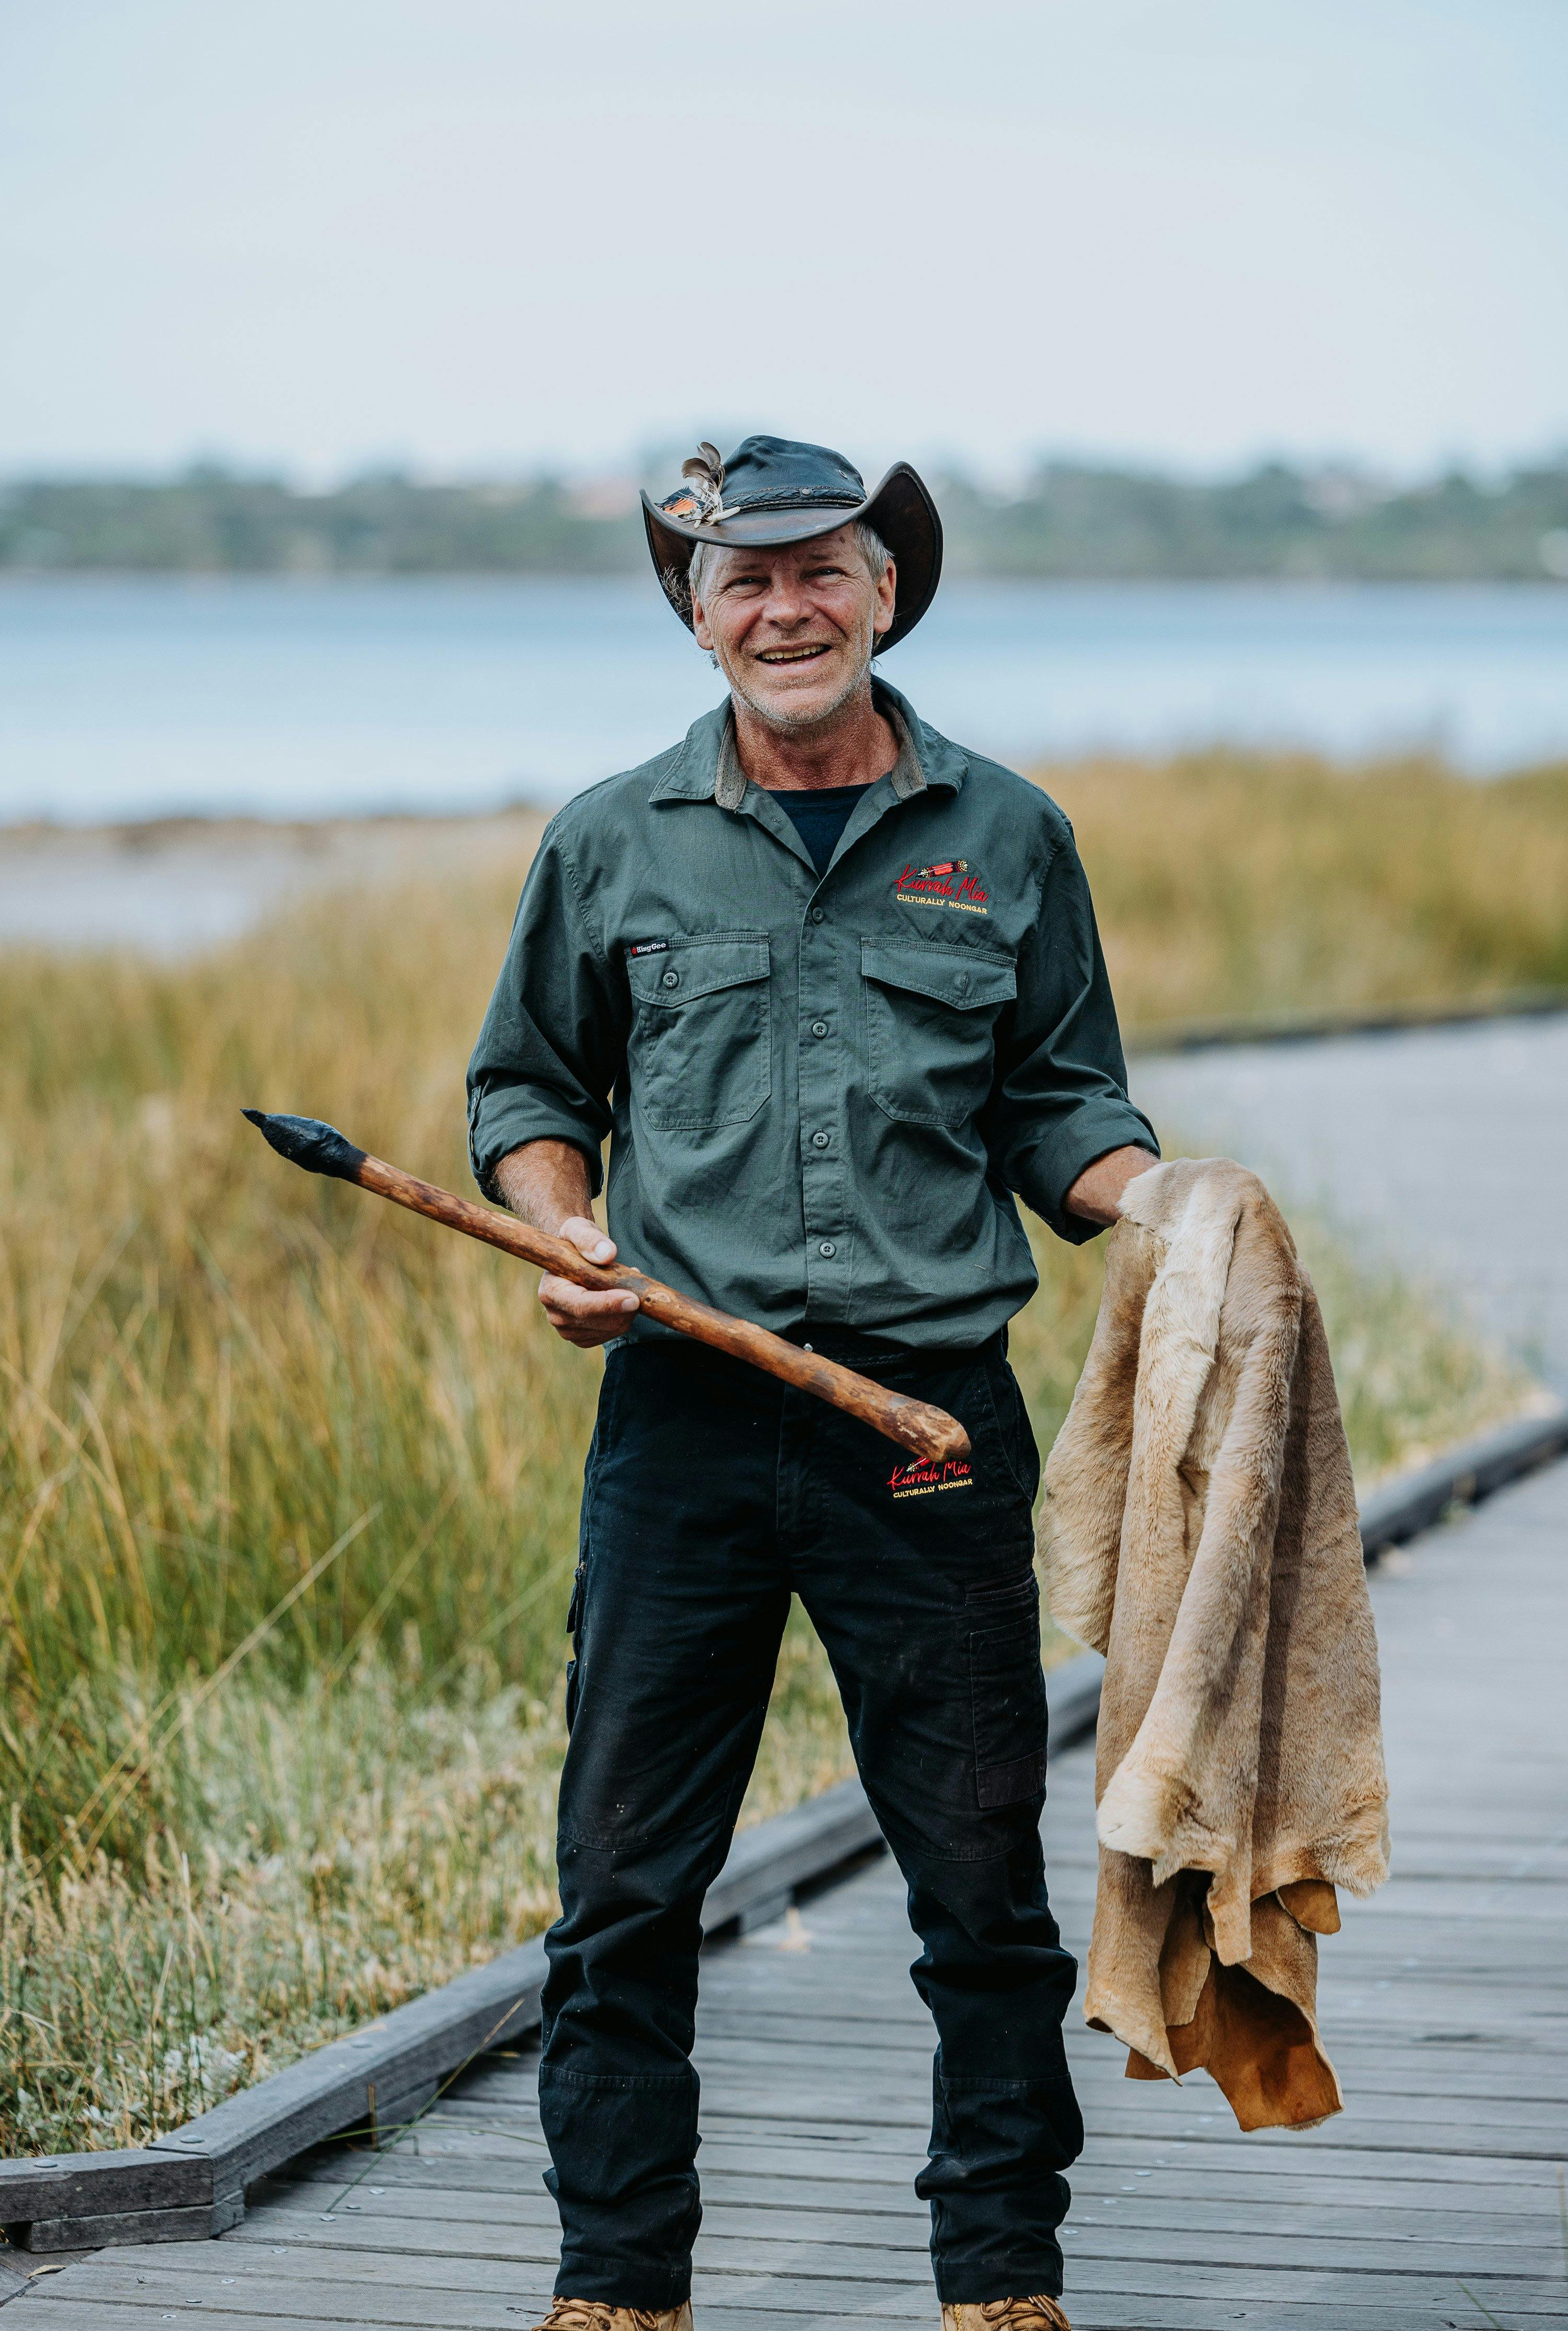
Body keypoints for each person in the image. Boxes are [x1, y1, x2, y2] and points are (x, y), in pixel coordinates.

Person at [467, 435, 1160, 2331]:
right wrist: (564, 1230)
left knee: (977, 1890)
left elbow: (1057, 1100)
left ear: (881, 593)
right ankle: (617, 2285)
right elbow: (528, 1092)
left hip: (929, 1427)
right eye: (741, 582)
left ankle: (998, 2276)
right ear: (699, 619)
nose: (783, 609)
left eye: (819, 572)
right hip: (681, 1415)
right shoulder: (610, 838)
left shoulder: (1007, 836)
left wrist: (1159, 1196)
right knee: (621, 1883)